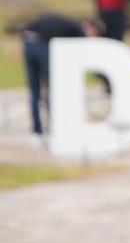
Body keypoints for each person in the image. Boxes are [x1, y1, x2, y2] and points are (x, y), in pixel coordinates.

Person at [21, 13, 101, 146]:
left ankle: (37, 132)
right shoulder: (77, 29)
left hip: (28, 44)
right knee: (52, 90)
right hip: (42, 46)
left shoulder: (65, 22)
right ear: (88, 27)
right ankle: (53, 130)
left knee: (35, 92)